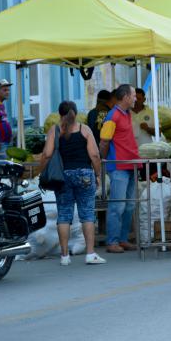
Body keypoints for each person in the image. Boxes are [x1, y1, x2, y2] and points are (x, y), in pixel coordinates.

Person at [40, 101, 106, 265]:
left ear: (59, 114)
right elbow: (95, 155)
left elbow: (47, 154)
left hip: (63, 176)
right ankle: (90, 254)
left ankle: (64, 257)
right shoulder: (84, 129)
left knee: (63, 215)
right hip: (84, 174)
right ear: (75, 113)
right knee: (87, 214)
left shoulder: (54, 131)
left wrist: (41, 172)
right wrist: (97, 174)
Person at [99, 85, 140, 254]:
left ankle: (122, 239)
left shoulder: (127, 114)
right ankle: (112, 241)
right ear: (125, 97)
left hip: (131, 164)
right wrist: (103, 162)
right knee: (117, 206)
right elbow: (104, 141)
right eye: (134, 95)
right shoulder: (112, 116)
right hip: (118, 166)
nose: (136, 98)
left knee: (129, 206)